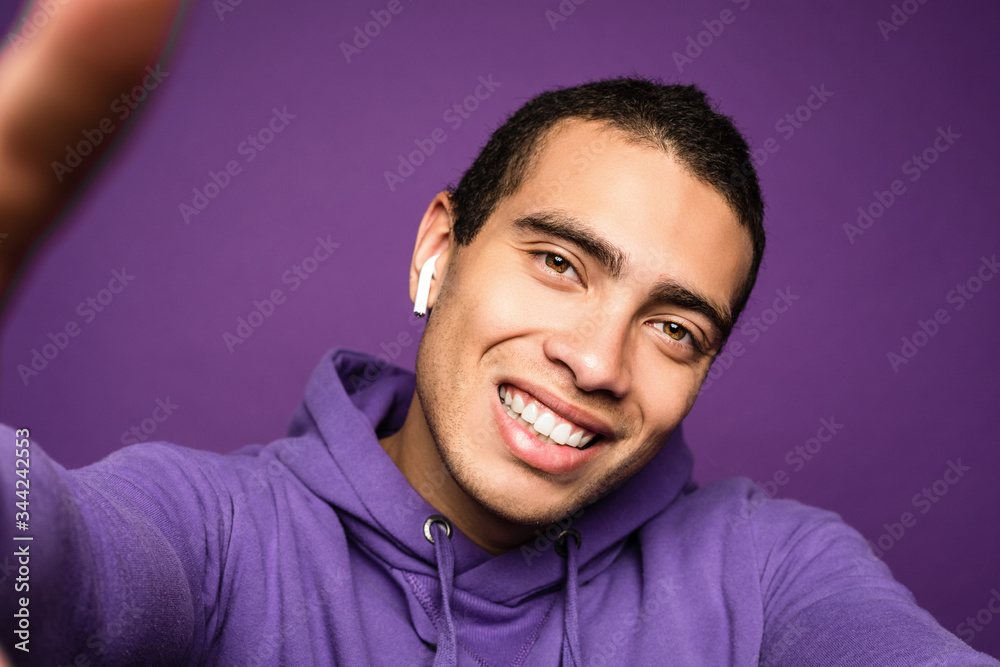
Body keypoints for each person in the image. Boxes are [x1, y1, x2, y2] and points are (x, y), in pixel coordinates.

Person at [1, 2, 997, 666]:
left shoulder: (769, 575)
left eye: (674, 328)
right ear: (441, 247)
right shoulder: (220, 532)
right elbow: (47, 559)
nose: (597, 363)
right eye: (561, 264)